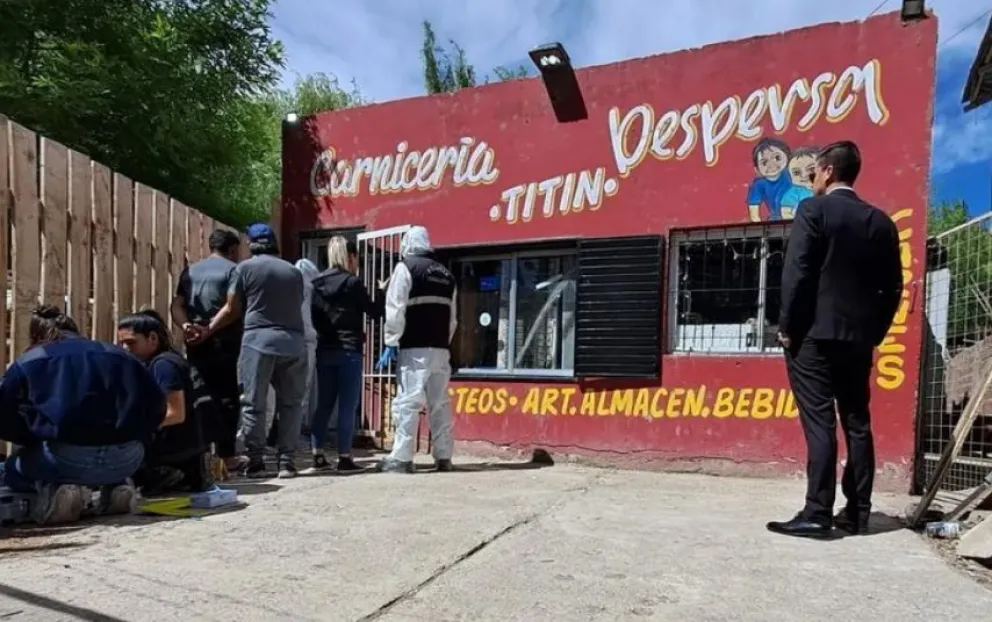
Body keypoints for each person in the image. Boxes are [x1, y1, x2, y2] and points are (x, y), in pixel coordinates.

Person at [767, 141, 903, 538]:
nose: (811, 181)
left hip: (813, 337)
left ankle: (817, 512)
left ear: (827, 172)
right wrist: (874, 332)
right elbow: (893, 287)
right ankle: (858, 512)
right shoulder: (882, 223)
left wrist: (787, 326)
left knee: (820, 422)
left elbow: (798, 273)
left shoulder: (814, 211)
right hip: (858, 341)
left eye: (813, 174)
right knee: (858, 423)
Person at [0, 306, 166, 524]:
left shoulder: (30, 361)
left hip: (63, 460)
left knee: (9, 470)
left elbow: (3, 415)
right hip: (128, 459)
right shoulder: (120, 355)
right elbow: (157, 407)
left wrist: (30, 437)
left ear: (37, 335)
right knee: (100, 460)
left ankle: (55, 490)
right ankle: (117, 486)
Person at [201, 223, 307, 479]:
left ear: (251, 244)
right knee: (291, 404)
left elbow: (231, 308)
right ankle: (287, 462)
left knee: (253, 403)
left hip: (258, 341)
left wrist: (207, 329)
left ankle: (257, 462)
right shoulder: (294, 272)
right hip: (294, 342)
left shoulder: (244, 268)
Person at [376, 226, 458, 474]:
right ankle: (444, 456)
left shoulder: (406, 268)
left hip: (414, 348)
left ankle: (402, 458)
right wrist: (443, 341)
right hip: (441, 350)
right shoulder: (446, 275)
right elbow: (453, 319)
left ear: (407, 243)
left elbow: (395, 307)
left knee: (408, 403)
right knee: (440, 403)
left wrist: (391, 341)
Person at [305, 237, 385, 474]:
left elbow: (314, 318)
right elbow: (374, 311)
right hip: (349, 350)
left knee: (324, 404)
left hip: (325, 350)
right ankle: (344, 457)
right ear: (350, 256)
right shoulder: (353, 282)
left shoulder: (316, 283)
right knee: (348, 406)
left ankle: (317, 455)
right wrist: (381, 291)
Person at [170, 229, 245, 474]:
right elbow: (232, 307)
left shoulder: (190, 271)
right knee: (227, 398)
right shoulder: (233, 270)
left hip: (195, 343)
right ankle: (227, 455)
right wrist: (209, 329)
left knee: (199, 394)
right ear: (233, 249)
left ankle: (201, 452)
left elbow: (177, 304)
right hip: (224, 342)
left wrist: (187, 326)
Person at [118, 309, 213, 495]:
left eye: (131, 342)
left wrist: (134, 428)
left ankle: (166, 475)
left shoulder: (164, 365)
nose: (125, 349)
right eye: (121, 343)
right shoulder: (164, 361)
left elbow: (176, 414)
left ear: (152, 338)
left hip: (175, 450)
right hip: (187, 448)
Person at [266, 258, 320, 446]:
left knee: (279, 393)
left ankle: (275, 435)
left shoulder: (285, 286)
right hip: (305, 343)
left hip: (283, 341)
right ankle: (292, 436)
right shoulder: (309, 288)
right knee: (299, 393)